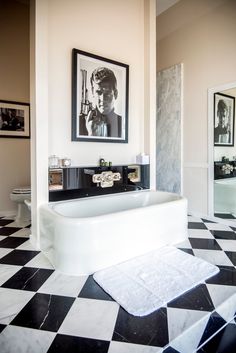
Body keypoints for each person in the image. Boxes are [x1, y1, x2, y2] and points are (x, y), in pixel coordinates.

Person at [84, 67, 122, 137]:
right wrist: (91, 134)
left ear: (115, 94)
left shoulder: (123, 124)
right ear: (92, 92)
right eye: (98, 92)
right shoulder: (78, 123)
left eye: (107, 93)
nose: (102, 98)